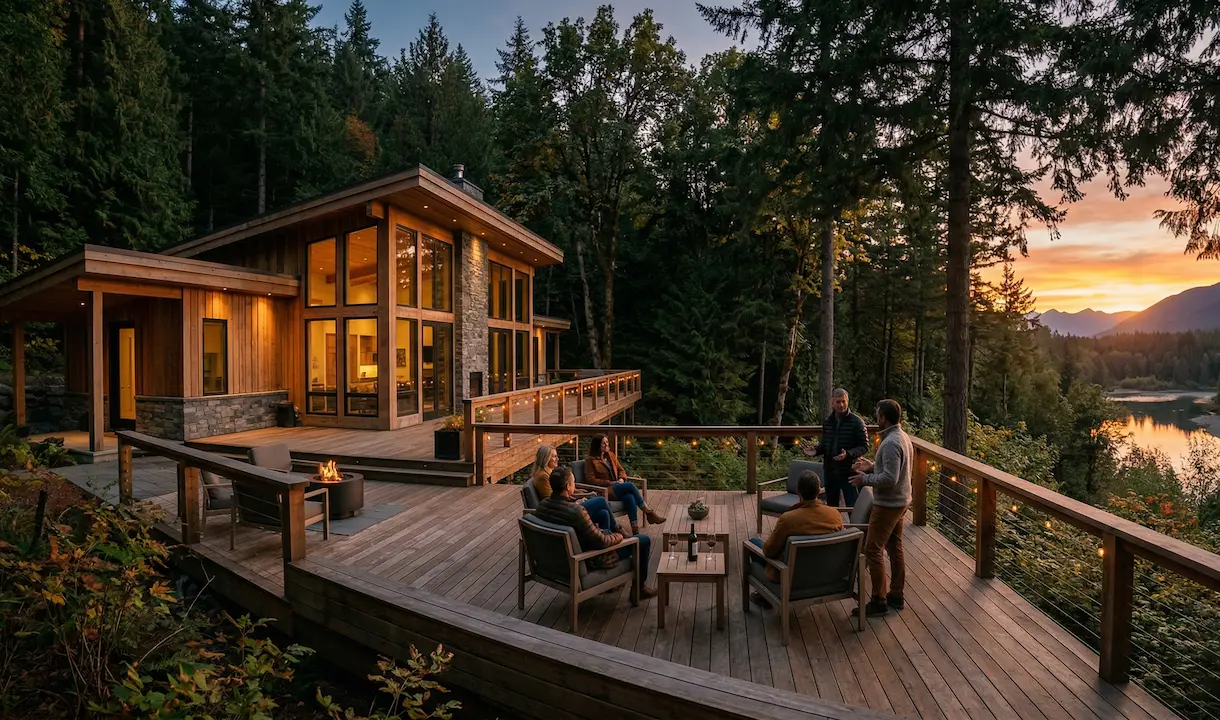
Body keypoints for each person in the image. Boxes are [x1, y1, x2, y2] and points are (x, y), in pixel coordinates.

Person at [535, 466, 656, 599]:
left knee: (603, 513)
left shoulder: (542, 506)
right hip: (589, 558)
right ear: (568, 486)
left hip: (558, 560)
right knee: (643, 541)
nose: (574, 485)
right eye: (573, 482)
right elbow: (602, 542)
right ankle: (639, 589)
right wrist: (619, 536)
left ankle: (615, 531)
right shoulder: (575, 512)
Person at [849, 399, 913, 617]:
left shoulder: (891, 443)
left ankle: (879, 600)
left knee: (873, 549)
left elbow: (890, 478)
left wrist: (865, 479)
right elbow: (892, 467)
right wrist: (872, 466)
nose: (876, 418)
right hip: (901, 501)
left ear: (883, 417)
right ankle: (896, 594)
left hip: (888, 504)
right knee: (894, 546)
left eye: (877, 414)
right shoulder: (902, 437)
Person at [746, 470, 844, 608]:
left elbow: (769, 551)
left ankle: (765, 596)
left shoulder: (789, 519)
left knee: (753, 543)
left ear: (798, 491)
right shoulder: (835, 515)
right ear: (818, 491)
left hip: (793, 579)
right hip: (825, 574)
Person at [584, 434, 666, 534]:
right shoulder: (590, 460)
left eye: (607, 442)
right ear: (597, 445)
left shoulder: (610, 455)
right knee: (630, 486)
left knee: (629, 497)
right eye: (603, 443)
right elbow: (591, 480)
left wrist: (622, 478)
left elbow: (621, 470)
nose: (606, 444)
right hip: (605, 490)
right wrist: (611, 482)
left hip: (617, 486)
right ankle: (649, 512)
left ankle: (635, 529)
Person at [529, 444, 616, 533]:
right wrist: (576, 503)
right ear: (546, 458)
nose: (557, 459)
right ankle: (616, 528)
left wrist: (583, 493)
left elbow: (561, 493)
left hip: (566, 507)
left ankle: (607, 534)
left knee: (603, 513)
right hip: (565, 512)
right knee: (601, 500)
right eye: (554, 456)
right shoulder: (543, 477)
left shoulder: (549, 472)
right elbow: (552, 501)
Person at [806, 388, 869, 508]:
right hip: (830, 470)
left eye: (843, 401)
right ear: (832, 403)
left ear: (847, 402)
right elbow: (825, 445)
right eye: (838, 402)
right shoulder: (828, 422)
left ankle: (855, 521)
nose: (841, 405)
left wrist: (848, 454)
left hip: (848, 471)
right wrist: (816, 450)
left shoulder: (857, 422)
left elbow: (864, 446)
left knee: (852, 505)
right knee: (831, 505)